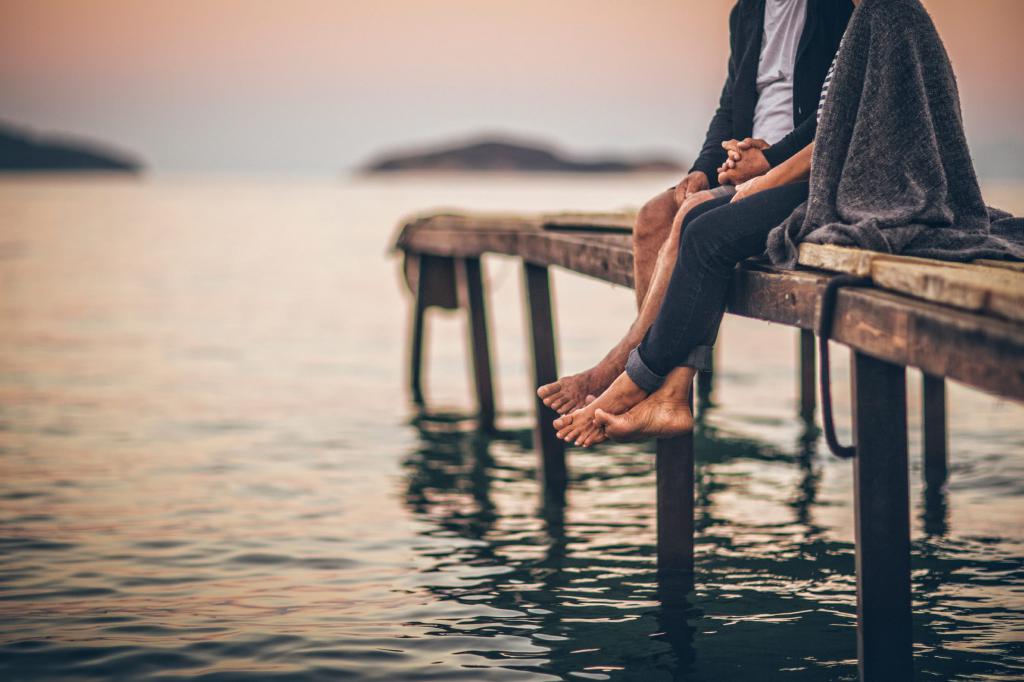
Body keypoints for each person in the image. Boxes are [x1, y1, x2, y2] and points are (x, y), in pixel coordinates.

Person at [555, 0, 1024, 447]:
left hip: (842, 185)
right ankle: (660, 390)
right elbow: (815, 113)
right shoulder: (850, 17)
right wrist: (714, 166)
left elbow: (843, 129)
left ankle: (632, 380)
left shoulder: (882, 15)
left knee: (698, 226)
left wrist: (769, 169)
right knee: (665, 218)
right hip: (805, 174)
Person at [538, 0, 852, 416]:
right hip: (739, 168)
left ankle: (624, 367)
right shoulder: (747, 13)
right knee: (653, 215)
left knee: (694, 216)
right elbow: (730, 107)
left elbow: (838, 110)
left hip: (794, 174)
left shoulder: (833, 9)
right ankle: (662, 382)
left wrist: (771, 160)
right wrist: (701, 170)